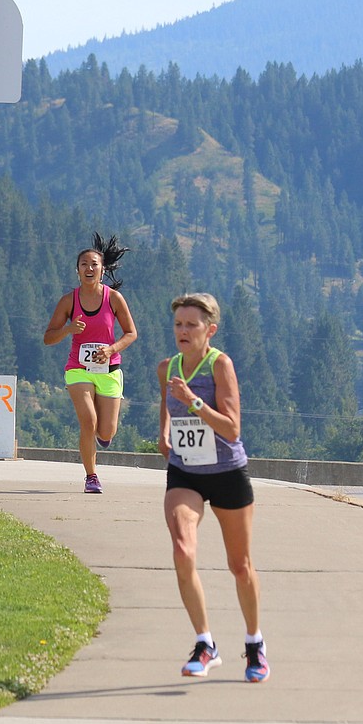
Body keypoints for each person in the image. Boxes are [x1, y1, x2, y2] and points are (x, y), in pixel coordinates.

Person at [157, 293, 269, 683]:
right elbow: (165, 403)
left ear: (210, 330)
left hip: (226, 473)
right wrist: (164, 432)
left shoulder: (221, 365)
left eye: (191, 325)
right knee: (182, 548)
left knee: (240, 566)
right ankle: (205, 643)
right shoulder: (167, 366)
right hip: (185, 472)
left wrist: (194, 403)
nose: (182, 331)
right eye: (178, 325)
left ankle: (254, 642)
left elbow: (232, 428)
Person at [42, 233, 137, 494]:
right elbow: (48, 338)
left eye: (94, 264)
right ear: (77, 271)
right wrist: (68, 329)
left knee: (106, 431)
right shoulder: (68, 301)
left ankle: (101, 438)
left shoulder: (114, 299)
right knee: (88, 421)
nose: (89, 268)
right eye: (84, 264)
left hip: (109, 370)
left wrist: (111, 349)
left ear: (102, 270)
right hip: (78, 369)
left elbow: (131, 333)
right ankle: (91, 476)